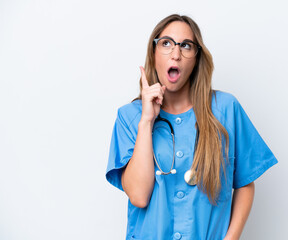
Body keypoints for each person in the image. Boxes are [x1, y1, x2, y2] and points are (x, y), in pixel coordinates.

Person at [106, 14, 278, 240]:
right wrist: (147, 121)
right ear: (154, 52)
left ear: (196, 58)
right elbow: (138, 196)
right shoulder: (130, 117)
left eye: (186, 46)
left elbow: (245, 183)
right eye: (166, 43)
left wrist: (231, 238)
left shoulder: (225, 109)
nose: (176, 54)